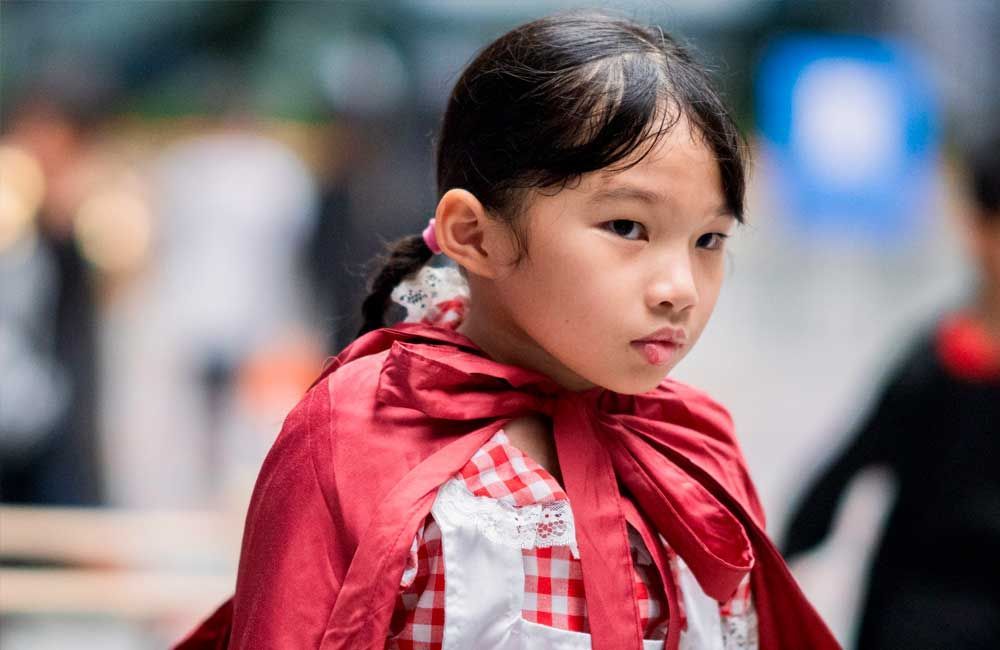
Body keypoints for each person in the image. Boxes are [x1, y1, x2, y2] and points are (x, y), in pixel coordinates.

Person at [175, 12, 838, 650]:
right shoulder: (353, 436)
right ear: (475, 235)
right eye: (627, 228)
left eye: (708, 239)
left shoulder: (694, 446)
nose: (680, 288)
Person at [782, 135, 1000, 649]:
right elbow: (846, 466)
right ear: (976, 229)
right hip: (920, 608)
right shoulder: (934, 363)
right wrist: (777, 568)